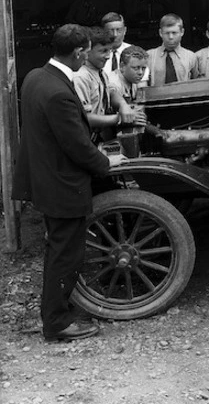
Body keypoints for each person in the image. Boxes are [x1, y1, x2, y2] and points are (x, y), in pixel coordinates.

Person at [12, 24, 127, 342]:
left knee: (57, 251)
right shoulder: (60, 93)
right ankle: (58, 323)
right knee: (66, 254)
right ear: (78, 52)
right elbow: (76, 144)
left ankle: (54, 314)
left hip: (45, 177)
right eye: (88, 50)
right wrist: (107, 162)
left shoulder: (36, 76)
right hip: (62, 184)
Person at [74, 27, 145, 142]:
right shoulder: (81, 77)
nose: (108, 56)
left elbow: (110, 92)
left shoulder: (101, 72)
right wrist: (121, 118)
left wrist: (123, 105)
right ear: (88, 51)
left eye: (110, 51)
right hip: (87, 140)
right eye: (103, 51)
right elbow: (84, 118)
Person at [146, 14, 200, 86]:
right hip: (156, 96)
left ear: (182, 32)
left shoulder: (191, 57)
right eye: (167, 33)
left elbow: (197, 84)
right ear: (160, 33)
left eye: (174, 33)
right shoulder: (149, 56)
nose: (170, 37)